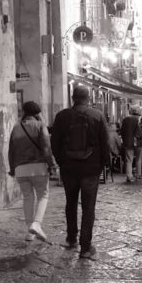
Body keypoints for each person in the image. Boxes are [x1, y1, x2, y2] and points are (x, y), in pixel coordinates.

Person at [51, 86, 109, 259]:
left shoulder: (62, 116)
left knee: (71, 203)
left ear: (72, 97)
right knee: (88, 207)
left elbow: (55, 143)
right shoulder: (97, 116)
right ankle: (85, 247)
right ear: (88, 98)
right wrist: (102, 164)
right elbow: (104, 142)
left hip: (69, 168)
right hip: (91, 169)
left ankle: (71, 238)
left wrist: (62, 162)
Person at [7, 101, 54, 242]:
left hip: (21, 169)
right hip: (38, 167)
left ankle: (30, 233)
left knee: (27, 197)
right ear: (37, 113)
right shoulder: (40, 126)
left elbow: (11, 151)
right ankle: (37, 224)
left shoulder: (16, 128)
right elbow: (46, 148)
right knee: (43, 196)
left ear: (24, 112)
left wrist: (12, 168)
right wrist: (51, 164)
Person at [119, 106, 142, 183]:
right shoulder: (140, 119)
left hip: (128, 142)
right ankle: (138, 175)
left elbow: (122, 131)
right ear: (138, 112)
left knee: (129, 159)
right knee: (138, 159)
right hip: (138, 142)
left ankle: (129, 176)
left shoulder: (125, 119)